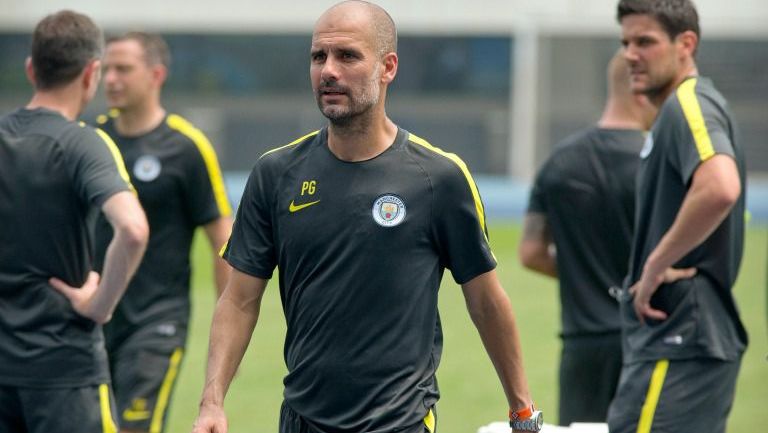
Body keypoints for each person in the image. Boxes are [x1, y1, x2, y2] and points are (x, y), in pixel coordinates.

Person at [192, 1, 539, 433]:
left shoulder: (438, 178)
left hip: (400, 421)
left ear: (387, 67)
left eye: (347, 56)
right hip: (300, 420)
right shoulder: (275, 173)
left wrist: (522, 412)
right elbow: (240, 299)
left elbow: (486, 301)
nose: (328, 71)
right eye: (319, 57)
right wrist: (212, 401)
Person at [0, 10, 149, 433]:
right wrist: (99, 305)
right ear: (92, 73)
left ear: (31, 69)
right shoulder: (84, 143)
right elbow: (133, 229)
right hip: (65, 371)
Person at [607, 1, 748, 433]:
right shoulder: (678, 111)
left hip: (679, 334)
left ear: (686, 44)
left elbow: (720, 186)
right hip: (684, 335)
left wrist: (654, 266)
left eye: (645, 41)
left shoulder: (688, 104)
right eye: (626, 42)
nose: (631, 53)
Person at [93, 31, 233, 433]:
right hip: (93, 316)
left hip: (157, 322)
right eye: (106, 69)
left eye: (123, 69)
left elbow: (223, 242)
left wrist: (223, 341)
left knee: (135, 427)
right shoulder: (93, 140)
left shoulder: (187, 147)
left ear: (156, 74)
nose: (112, 79)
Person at [518, 50, 656, 426]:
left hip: (583, 347)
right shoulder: (656, 162)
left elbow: (530, 252)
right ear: (643, 89)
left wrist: (583, 274)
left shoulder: (559, 162)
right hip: (648, 339)